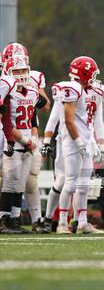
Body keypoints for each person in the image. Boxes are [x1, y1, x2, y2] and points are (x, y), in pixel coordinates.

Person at [56, 56, 104, 234]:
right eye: (92, 74)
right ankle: (62, 223)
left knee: (84, 185)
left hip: (86, 140)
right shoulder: (72, 88)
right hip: (71, 141)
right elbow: (69, 121)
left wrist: (100, 143)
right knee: (70, 183)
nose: (94, 78)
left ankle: (82, 223)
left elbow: (97, 120)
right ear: (84, 74)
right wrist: (78, 142)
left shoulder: (94, 91)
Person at [0, 56, 43, 234]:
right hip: (13, 140)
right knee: (10, 182)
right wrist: (26, 141)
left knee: (20, 184)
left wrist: (33, 139)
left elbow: (33, 118)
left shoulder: (32, 92)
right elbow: (7, 122)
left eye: (23, 70)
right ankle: (3, 220)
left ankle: (15, 220)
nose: (21, 74)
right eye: (16, 71)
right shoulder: (7, 92)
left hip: (28, 142)